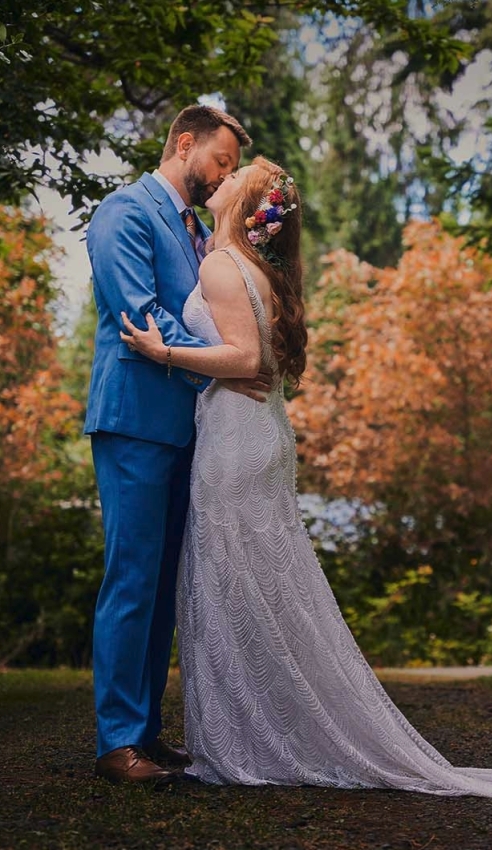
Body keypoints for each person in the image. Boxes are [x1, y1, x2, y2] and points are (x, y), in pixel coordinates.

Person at [120, 156, 492, 809]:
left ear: (246, 206)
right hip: (257, 432)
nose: (222, 175)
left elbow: (244, 357)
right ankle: (265, 731)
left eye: (235, 173)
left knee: (239, 587)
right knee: (264, 591)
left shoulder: (223, 264)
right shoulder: (254, 268)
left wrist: (162, 351)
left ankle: (253, 738)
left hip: (236, 436)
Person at [85, 105, 262, 784]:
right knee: (131, 579)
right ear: (184, 144)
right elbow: (143, 316)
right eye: (219, 161)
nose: (222, 176)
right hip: (133, 420)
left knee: (163, 587)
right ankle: (115, 743)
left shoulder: (196, 231)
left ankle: (147, 731)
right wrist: (228, 361)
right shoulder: (123, 212)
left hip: (189, 426)